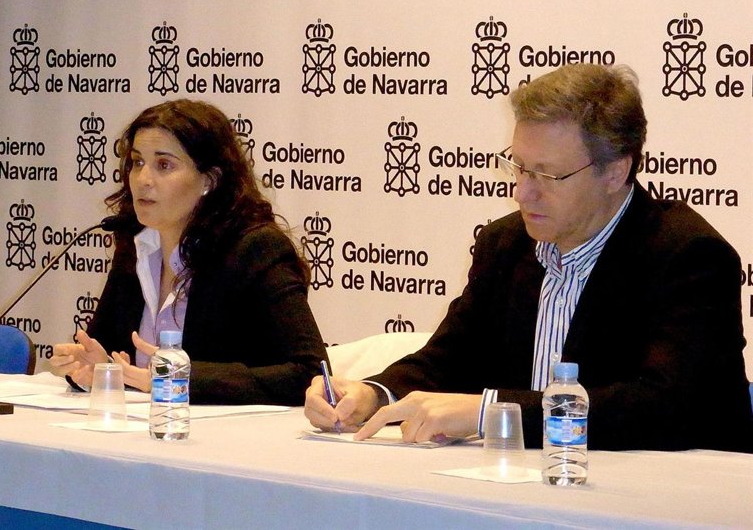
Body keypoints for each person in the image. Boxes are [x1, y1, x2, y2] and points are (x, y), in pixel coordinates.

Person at [306, 64, 753, 452]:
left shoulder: (688, 256)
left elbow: (666, 406)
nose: (522, 192)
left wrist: (493, 412)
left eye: (547, 175)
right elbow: (451, 357)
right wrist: (374, 394)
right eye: (519, 167)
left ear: (616, 171)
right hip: (521, 484)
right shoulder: (505, 244)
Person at [50, 99, 325, 405]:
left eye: (164, 165)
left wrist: (177, 378)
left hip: (225, 432)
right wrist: (96, 369)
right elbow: (109, 354)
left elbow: (310, 373)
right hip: (143, 426)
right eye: (137, 162)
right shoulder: (136, 246)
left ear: (209, 180)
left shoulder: (254, 250)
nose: (142, 180)